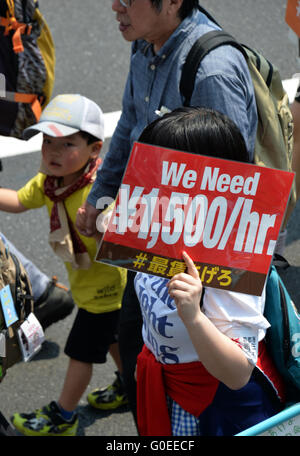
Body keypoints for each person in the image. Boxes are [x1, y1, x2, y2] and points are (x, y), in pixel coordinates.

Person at [76, 0, 258, 426]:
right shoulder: (144, 44)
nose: (115, 7)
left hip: (194, 270)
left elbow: (232, 186)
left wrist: (194, 307)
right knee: (135, 337)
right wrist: (101, 196)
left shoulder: (213, 70)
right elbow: (132, 126)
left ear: (172, 2)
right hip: (150, 250)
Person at [134, 106, 285, 436]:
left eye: (164, 173)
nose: (147, 182)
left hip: (215, 410)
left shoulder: (232, 256)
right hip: (168, 393)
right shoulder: (163, 224)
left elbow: (237, 374)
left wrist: (195, 316)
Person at [0, 94, 127, 436]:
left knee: (81, 353)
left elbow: (120, 245)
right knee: (114, 340)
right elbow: (18, 201)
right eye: (48, 142)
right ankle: (130, 386)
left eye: (67, 143)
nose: (53, 152)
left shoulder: (99, 194)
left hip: (108, 288)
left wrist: (99, 228)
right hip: (88, 287)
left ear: (95, 150)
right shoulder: (51, 183)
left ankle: (63, 416)